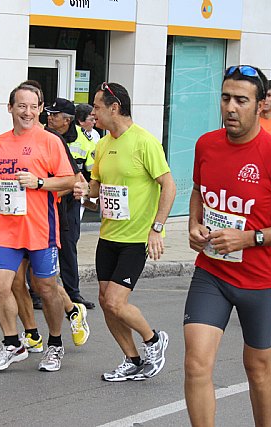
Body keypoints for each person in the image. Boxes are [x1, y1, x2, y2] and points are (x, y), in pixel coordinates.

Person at [183, 65, 271, 426]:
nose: (230, 107)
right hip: (211, 272)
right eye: (226, 98)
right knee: (196, 363)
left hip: (259, 281)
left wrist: (251, 238)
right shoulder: (206, 144)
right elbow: (199, 191)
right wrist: (195, 223)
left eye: (241, 100)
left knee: (257, 369)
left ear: (260, 106)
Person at [74, 82, 177, 382]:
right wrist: (84, 192)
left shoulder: (144, 142)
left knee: (117, 302)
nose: (92, 113)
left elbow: (168, 186)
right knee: (106, 302)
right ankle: (132, 359)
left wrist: (157, 228)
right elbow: (96, 192)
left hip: (135, 239)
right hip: (108, 236)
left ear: (114, 107)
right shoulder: (102, 145)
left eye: (96, 107)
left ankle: (153, 340)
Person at [0, 83, 77, 372]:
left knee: (46, 288)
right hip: (9, 227)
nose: (28, 112)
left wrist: (39, 182)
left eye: (34, 106)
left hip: (40, 227)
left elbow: (69, 180)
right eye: (22, 106)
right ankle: (13, 343)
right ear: (10, 108)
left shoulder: (50, 141)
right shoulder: (1, 141)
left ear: (40, 108)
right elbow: (11, 181)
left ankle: (56, 344)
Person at [45, 97, 96, 309]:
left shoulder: (83, 143)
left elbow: (92, 175)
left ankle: (73, 293)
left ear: (66, 120)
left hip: (70, 204)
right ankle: (37, 292)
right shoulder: (43, 136)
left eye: (54, 115)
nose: (49, 117)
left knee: (68, 247)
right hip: (46, 199)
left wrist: (86, 192)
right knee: (41, 246)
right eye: (49, 113)